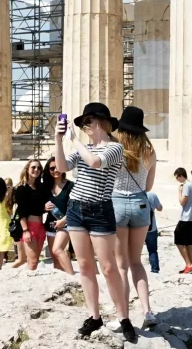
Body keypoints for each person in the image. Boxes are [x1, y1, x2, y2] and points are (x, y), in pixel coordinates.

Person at [53, 103, 135, 342]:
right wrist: (58, 140)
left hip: (100, 209)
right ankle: (94, 316)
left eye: (87, 121)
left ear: (101, 122)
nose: (84, 126)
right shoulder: (84, 148)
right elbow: (61, 167)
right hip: (76, 208)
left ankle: (123, 317)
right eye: (82, 124)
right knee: (85, 265)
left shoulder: (115, 148)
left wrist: (73, 140)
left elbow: (95, 162)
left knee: (108, 267)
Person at [113, 105, 158, 328]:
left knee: (120, 265)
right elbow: (148, 186)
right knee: (136, 262)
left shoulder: (115, 150)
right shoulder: (149, 152)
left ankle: (124, 316)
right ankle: (147, 311)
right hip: (141, 204)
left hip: (117, 204)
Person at [12, 159, 49, 270]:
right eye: (33, 167)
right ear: (27, 169)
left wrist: (44, 208)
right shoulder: (21, 189)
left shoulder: (41, 188)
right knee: (33, 262)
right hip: (29, 227)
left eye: (39, 168)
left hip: (40, 226)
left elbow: (38, 207)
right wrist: (25, 230)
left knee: (34, 262)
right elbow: (21, 211)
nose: (36, 170)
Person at [44, 160, 75, 275]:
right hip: (51, 225)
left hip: (66, 223)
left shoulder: (70, 186)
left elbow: (75, 207)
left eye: (58, 167)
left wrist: (63, 220)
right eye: (52, 168)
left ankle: (73, 278)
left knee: (57, 249)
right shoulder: (46, 187)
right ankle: (62, 282)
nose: (55, 170)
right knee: (55, 259)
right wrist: (44, 208)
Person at [174, 167, 192, 274]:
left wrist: (179, 191)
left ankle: (189, 264)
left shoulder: (186, 185)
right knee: (188, 243)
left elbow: (182, 201)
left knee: (179, 240)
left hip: (186, 217)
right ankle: (190, 265)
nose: (177, 180)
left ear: (180, 176)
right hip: (191, 217)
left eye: (177, 178)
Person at [145, 189, 163, 274]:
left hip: (136, 227)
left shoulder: (135, 194)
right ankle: (155, 268)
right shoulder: (152, 195)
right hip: (151, 227)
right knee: (152, 250)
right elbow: (160, 208)